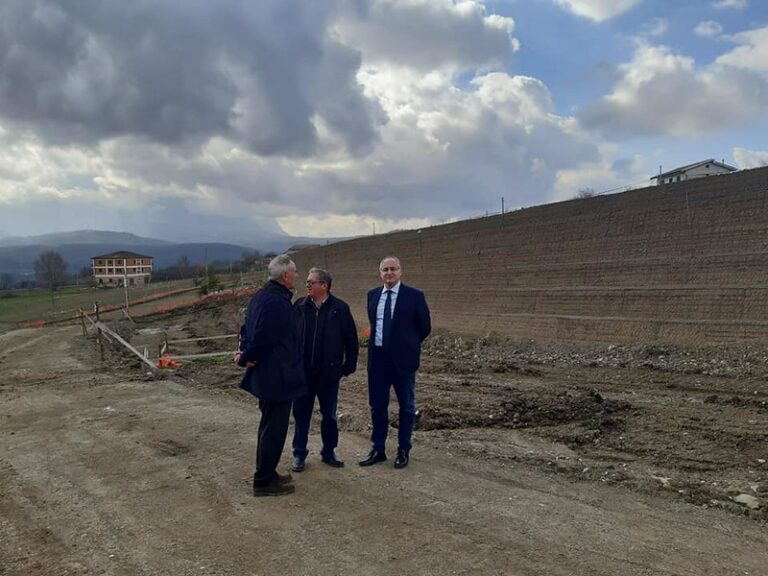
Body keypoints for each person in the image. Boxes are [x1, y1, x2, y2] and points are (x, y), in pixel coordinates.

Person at [236, 254, 307, 496]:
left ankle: (267, 472)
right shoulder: (277, 302)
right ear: (285, 275)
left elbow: (247, 329)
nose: (297, 276)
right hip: (277, 377)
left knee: (269, 426)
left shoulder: (261, 296)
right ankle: (264, 480)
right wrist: (246, 356)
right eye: (295, 272)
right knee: (274, 428)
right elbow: (265, 338)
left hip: (270, 375)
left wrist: (245, 352)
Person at [360, 256, 431, 469]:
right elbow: (374, 324)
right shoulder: (373, 295)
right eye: (385, 269)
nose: (389, 273)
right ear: (380, 273)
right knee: (378, 406)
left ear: (400, 271)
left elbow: (424, 327)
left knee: (407, 407)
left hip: (403, 362)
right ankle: (378, 449)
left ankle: (403, 449)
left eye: (393, 269)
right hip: (378, 361)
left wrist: (407, 345)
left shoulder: (414, 296)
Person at [291, 267, 359, 472]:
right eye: (307, 282)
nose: (307, 285)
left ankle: (329, 451)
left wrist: (348, 367)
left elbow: (351, 341)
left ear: (324, 285)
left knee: (329, 415)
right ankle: (299, 454)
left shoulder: (340, 309)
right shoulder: (300, 306)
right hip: (303, 374)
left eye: (311, 282)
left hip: (329, 375)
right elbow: (291, 337)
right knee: (301, 414)